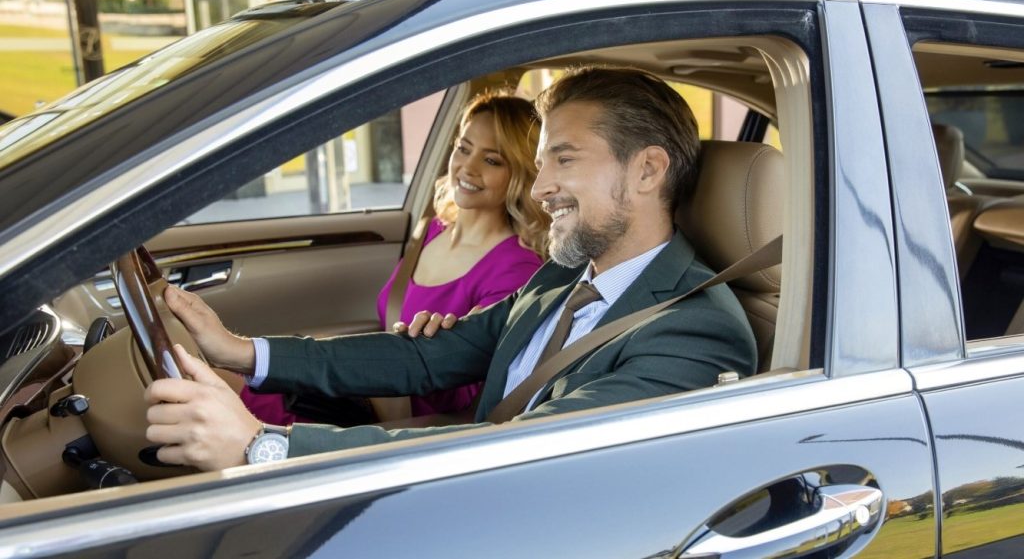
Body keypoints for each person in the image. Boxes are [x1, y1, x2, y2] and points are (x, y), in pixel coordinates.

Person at [145, 66, 757, 471]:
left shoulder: (695, 330)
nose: (539, 188)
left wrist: (263, 446)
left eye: (563, 159)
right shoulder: (563, 276)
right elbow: (423, 358)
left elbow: (522, 454)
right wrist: (242, 352)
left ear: (647, 170)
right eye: (540, 163)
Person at [240, 93, 548, 425]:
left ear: (520, 172)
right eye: (463, 148)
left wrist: (430, 345)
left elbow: (475, 382)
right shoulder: (432, 230)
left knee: (225, 384)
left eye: (492, 160)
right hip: (366, 388)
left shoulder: (517, 270)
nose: (467, 167)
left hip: (399, 425)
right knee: (222, 376)